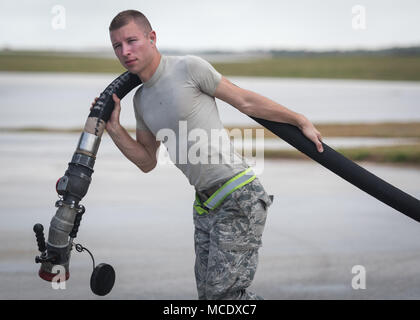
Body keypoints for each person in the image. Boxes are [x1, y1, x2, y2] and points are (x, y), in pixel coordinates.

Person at [94, 9, 324, 300]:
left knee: (223, 298)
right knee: (210, 298)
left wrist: (299, 119)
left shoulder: (189, 68)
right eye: (117, 45)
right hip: (204, 205)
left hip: (238, 196)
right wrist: (114, 129)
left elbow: (245, 101)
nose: (125, 51)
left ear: (152, 38)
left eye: (132, 41)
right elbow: (147, 161)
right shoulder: (140, 100)